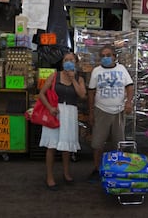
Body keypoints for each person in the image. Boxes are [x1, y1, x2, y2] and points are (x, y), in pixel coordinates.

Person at [38, 52, 86, 191]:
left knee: (66, 146)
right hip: (55, 112)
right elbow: (42, 93)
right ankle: (50, 177)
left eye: (71, 60)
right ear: (62, 63)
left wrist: (73, 79)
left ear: (76, 63)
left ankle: (66, 173)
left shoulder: (79, 78)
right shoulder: (54, 76)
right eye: (66, 60)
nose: (69, 62)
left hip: (70, 113)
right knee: (51, 146)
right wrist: (50, 107)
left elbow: (82, 95)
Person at [87, 44, 134, 181]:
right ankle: (96, 169)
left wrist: (129, 102)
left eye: (108, 55)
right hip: (101, 111)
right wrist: (90, 112)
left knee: (119, 143)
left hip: (119, 112)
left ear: (114, 56)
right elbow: (91, 93)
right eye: (102, 56)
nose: (105, 58)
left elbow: (130, 87)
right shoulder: (96, 71)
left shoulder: (122, 69)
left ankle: (117, 169)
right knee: (97, 143)